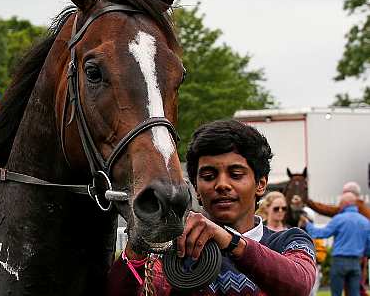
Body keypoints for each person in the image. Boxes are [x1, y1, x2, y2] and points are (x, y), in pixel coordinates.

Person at [107, 119, 317, 295]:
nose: (222, 185)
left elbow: (300, 284)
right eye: (208, 176)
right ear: (196, 188)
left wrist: (228, 240)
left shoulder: (290, 240)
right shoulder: (176, 249)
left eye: (236, 174)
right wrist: (138, 247)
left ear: (261, 184)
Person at [308, 182, 370, 296]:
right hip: (356, 262)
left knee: (336, 293)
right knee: (354, 293)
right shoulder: (365, 221)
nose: (339, 206)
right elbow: (368, 246)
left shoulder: (339, 219)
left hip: (339, 261)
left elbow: (322, 233)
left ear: (345, 204)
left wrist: (307, 224)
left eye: (340, 203)